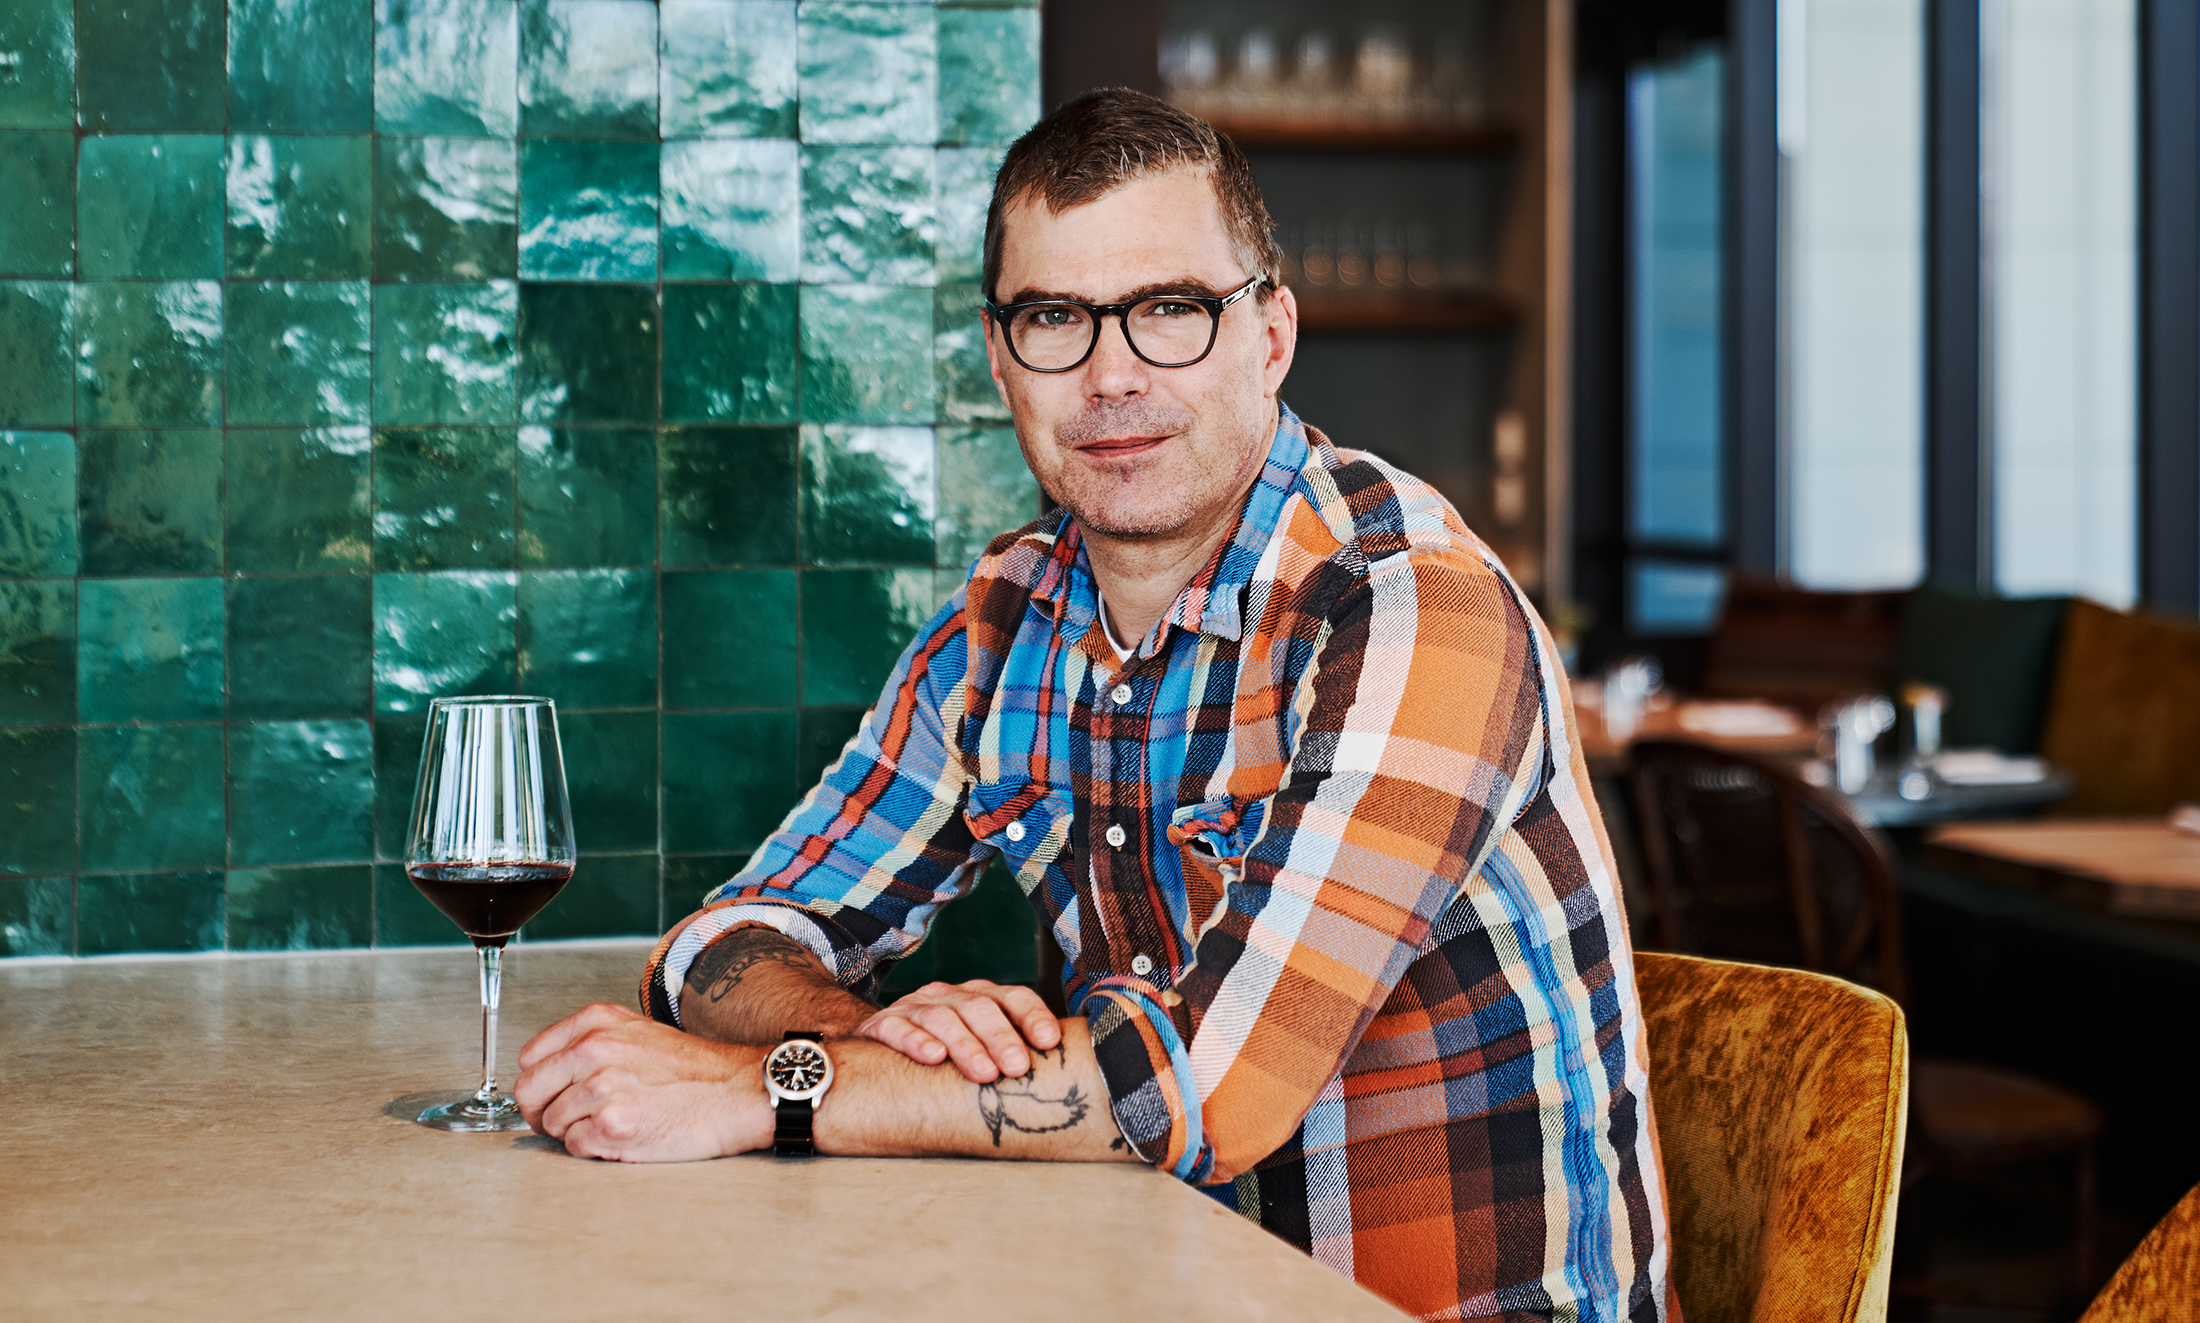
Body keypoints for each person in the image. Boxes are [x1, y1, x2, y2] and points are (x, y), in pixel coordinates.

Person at [516, 89, 1675, 1322]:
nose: (1112, 375)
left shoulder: (1409, 609)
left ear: (1271, 336)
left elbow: (1211, 1086)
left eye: (1171, 311)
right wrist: (872, 1036)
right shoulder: (1004, 623)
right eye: (1055, 319)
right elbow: (725, 941)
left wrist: (775, 1089)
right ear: (1000, 354)